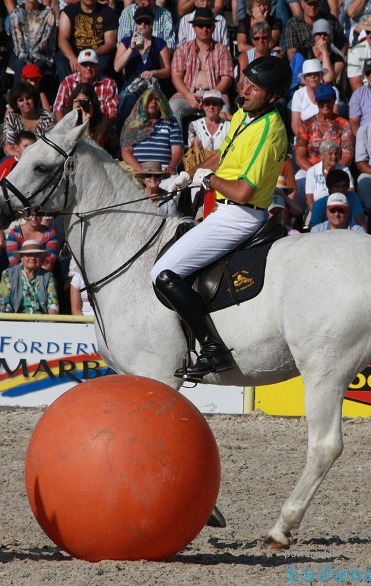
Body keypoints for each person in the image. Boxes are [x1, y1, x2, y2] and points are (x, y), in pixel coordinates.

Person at [151, 56, 291, 380]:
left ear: (272, 97)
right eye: (244, 82)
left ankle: (214, 349)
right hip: (220, 206)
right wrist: (187, 174)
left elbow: (242, 191)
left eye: (254, 88)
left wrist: (207, 180)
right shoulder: (243, 112)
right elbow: (222, 157)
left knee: (163, 271)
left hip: (240, 214)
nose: (244, 90)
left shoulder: (271, 132)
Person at [168, 9, 232, 128]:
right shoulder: (182, 49)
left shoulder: (222, 50)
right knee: (173, 107)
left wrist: (212, 95)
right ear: (194, 27)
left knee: (226, 109)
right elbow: (176, 77)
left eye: (208, 25)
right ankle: (177, 146)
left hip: (216, 94)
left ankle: (224, 146)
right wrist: (188, 95)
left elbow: (227, 79)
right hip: (188, 95)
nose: (204, 29)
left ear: (213, 27)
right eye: (201, 25)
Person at [113, 6, 172, 123]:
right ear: (135, 23)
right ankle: (121, 137)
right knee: (128, 100)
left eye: (147, 21)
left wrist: (154, 72)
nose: (143, 25)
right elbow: (117, 67)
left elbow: (167, 71)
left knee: (152, 102)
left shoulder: (159, 43)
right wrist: (131, 48)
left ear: (152, 24)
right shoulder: (125, 42)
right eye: (140, 22)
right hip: (131, 85)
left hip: (151, 86)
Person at [120, 87, 183, 179]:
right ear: (143, 102)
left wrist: (172, 166)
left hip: (164, 169)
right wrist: (140, 169)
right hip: (138, 168)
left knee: (173, 186)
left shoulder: (171, 121)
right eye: (149, 99)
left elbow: (177, 149)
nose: (153, 102)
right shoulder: (133, 122)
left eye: (157, 99)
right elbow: (126, 151)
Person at [294, 84, 354, 176]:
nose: (325, 104)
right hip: (310, 169)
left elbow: (347, 155)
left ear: (334, 101)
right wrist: (316, 173)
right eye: (322, 101)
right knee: (299, 178)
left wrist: (332, 172)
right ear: (316, 102)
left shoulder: (344, 124)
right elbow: (300, 157)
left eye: (329, 100)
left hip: (337, 169)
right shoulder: (306, 125)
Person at [53, 49, 119, 126]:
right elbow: (58, 109)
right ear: (78, 66)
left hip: (99, 127)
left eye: (92, 64)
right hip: (72, 127)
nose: (88, 68)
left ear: (98, 66)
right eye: (84, 64)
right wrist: (63, 129)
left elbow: (113, 113)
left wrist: (103, 130)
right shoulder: (67, 82)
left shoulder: (109, 83)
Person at [56, 0, 118, 81]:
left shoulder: (108, 12)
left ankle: (97, 90)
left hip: (98, 54)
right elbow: (62, 40)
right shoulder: (68, 11)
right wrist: (73, 58)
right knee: (60, 58)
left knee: (104, 61)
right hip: (75, 53)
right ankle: (70, 89)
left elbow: (110, 43)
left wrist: (91, 54)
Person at [0, 239, 59, 314]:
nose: (33, 258)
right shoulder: (8, 274)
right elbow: (5, 303)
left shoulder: (48, 276)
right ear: (22, 257)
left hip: (41, 321)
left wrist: (51, 324)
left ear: (41, 258)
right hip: (16, 319)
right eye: (29, 254)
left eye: (37, 255)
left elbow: (53, 304)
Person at [9, 0, 57, 82]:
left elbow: (45, 43)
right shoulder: (16, 13)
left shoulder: (49, 13)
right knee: (20, 67)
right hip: (20, 55)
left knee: (35, 70)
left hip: (42, 55)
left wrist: (31, 61)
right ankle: (18, 94)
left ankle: (33, 94)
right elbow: (18, 44)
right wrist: (27, 61)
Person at [2, 83, 55, 156]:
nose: (26, 102)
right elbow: (8, 149)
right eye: (21, 100)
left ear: (34, 99)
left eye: (28, 98)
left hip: (42, 157)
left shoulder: (47, 117)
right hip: (18, 157)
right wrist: (24, 158)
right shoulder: (11, 118)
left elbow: (50, 147)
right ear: (16, 104)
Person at [304, 140, 352, 209]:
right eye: (331, 153)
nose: (334, 156)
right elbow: (309, 198)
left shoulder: (345, 170)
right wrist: (316, 213)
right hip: (317, 208)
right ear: (322, 155)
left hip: (340, 210)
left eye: (336, 153)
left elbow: (350, 192)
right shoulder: (312, 171)